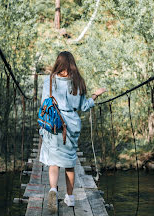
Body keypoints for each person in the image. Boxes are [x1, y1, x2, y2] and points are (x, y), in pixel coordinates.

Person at [39, 51, 106, 212]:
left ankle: (53, 190)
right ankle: (70, 198)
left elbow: (43, 105)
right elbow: (83, 107)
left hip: (53, 126)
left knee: (53, 161)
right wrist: (95, 96)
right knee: (69, 163)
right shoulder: (78, 81)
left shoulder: (49, 80)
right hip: (70, 126)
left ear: (58, 63)